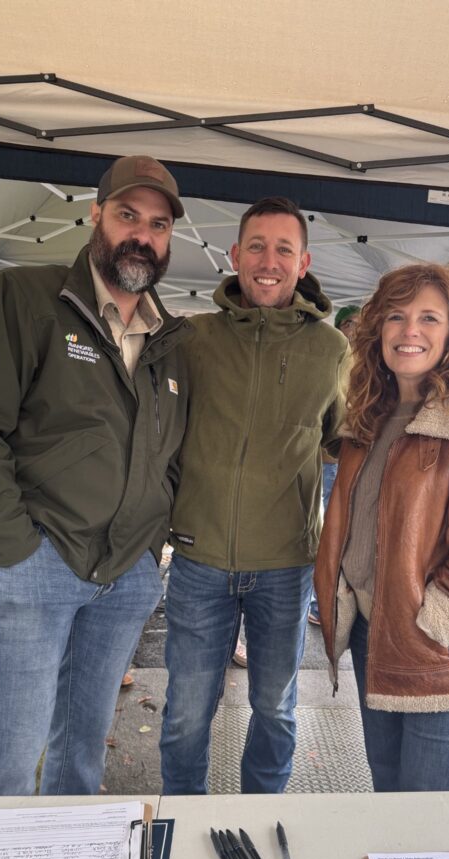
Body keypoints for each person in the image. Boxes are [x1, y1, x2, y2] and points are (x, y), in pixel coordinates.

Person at [0, 155, 192, 795]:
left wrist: (152, 543)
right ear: (96, 215)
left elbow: (172, 450)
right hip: (35, 565)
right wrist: (12, 547)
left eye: (158, 225)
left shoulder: (170, 341)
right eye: (128, 215)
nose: (143, 235)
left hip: (124, 573)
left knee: (81, 757)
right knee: (9, 759)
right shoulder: (25, 299)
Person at [314, 263, 449, 792]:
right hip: (377, 635)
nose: (410, 330)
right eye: (396, 315)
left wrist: (437, 621)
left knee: (429, 815)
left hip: (440, 651)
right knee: (388, 790)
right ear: (378, 330)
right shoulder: (371, 410)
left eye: (429, 317)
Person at [160, 196, 349, 794]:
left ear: (303, 262)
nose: (269, 261)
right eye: (258, 247)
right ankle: (178, 823)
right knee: (187, 715)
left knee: (275, 710)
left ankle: (261, 819)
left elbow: (343, 445)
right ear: (236, 255)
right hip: (198, 560)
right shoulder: (192, 339)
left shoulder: (330, 349)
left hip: (285, 567)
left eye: (284, 249)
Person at [308, 304, 361, 626]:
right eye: (351, 323)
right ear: (340, 327)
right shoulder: (332, 359)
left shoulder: (371, 364)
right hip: (330, 459)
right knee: (332, 530)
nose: (357, 329)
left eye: (362, 324)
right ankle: (320, 603)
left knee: (349, 531)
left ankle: (338, 600)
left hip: (352, 459)